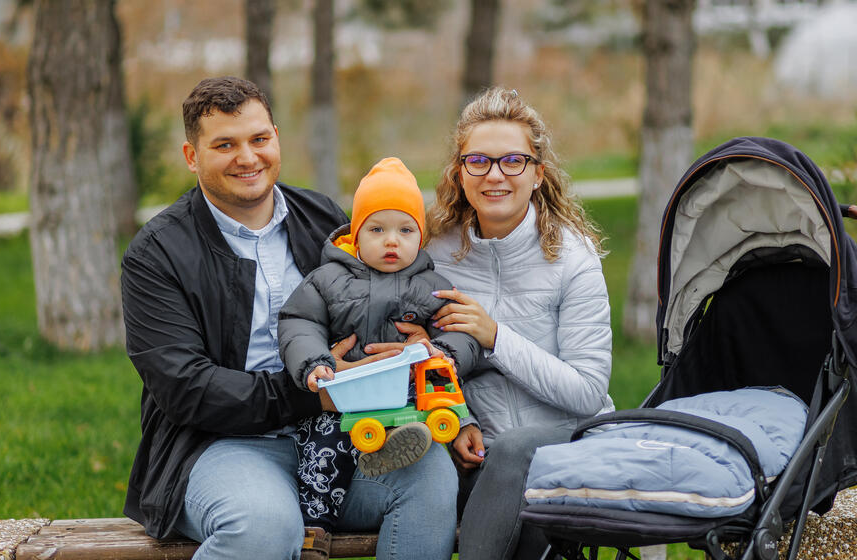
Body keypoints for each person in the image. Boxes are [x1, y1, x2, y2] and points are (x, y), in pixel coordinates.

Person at [120, 76, 458, 560]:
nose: (248, 157)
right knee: (264, 526)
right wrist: (311, 393)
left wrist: (417, 338)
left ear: (276, 136)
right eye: (224, 144)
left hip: (345, 436)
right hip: (221, 445)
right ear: (192, 156)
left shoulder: (322, 219)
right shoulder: (158, 254)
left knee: (430, 479)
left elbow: (383, 296)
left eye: (259, 139)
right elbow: (184, 388)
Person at [423, 87, 614, 560]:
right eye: (479, 162)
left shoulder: (573, 258)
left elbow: (589, 393)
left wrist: (495, 337)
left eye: (513, 161)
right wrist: (460, 418)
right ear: (459, 172)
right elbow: (428, 363)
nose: (495, 175)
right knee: (518, 509)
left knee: (516, 452)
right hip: (477, 454)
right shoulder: (433, 255)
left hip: (569, 441)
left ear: (536, 174)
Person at [278, 157, 480, 555]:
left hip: (407, 397)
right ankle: (314, 527)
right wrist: (313, 362)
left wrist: (441, 351)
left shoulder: (432, 287)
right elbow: (299, 323)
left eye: (405, 230)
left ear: (420, 238)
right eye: (377, 229)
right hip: (342, 399)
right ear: (355, 234)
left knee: (436, 397)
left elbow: (462, 334)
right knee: (325, 450)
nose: (392, 241)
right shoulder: (328, 279)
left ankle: (397, 444)